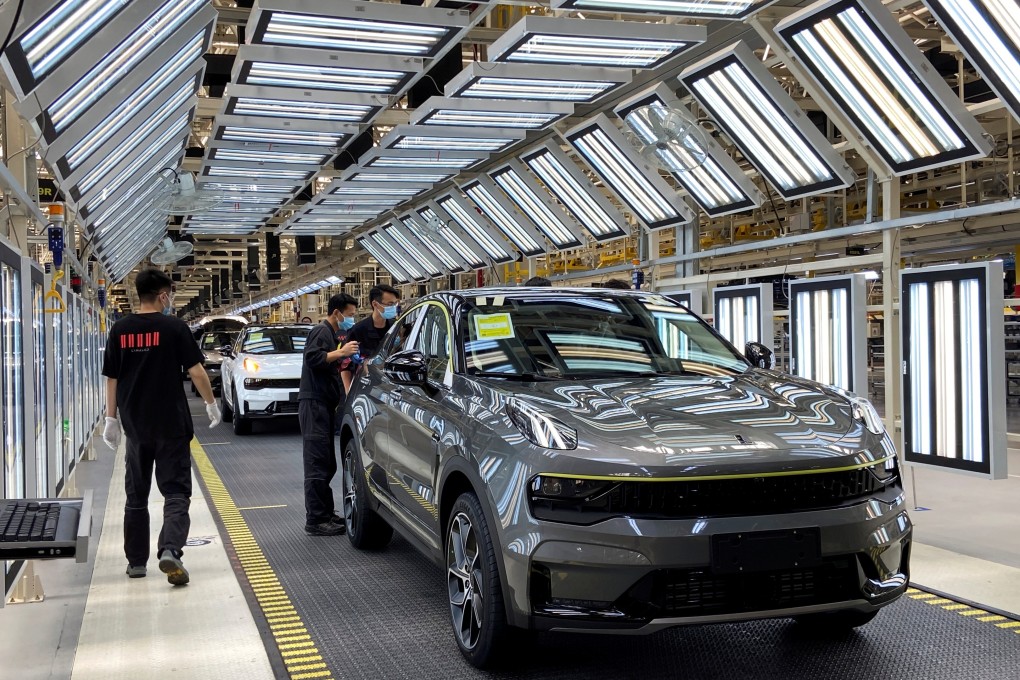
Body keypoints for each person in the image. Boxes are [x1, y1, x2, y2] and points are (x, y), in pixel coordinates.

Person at [101, 268, 220, 586]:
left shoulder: (119, 331)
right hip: (171, 424)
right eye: (171, 295)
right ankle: (170, 550)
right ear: (164, 295)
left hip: (135, 426)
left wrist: (111, 419)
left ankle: (136, 563)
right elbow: (196, 371)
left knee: (136, 495)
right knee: (177, 492)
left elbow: (112, 377)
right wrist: (210, 403)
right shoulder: (174, 328)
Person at [299, 293, 360, 536]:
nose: (351, 320)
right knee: (316, 463)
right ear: (337, 313)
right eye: (350, 315)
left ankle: (326, 513)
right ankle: (315, 519)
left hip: (323, 405)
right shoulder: (321, 331)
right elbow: (313, 358)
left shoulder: (331, 334)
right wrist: (341, 352)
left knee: (326, 462)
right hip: (313, 405)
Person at [346, 284, 401, 365]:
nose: (393, 307)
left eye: (395, 304)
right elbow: (346, 365)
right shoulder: (358, 330)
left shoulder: (396, 327)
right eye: (390, 304)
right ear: (375, 304)